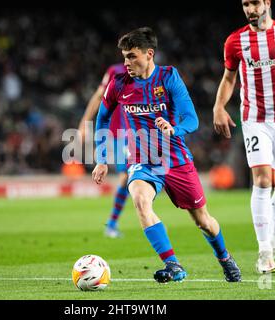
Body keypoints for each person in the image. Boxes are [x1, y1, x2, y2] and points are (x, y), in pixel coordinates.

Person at [92, 27, 241, 283]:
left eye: (132, 56)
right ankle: (173, 265)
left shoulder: (169, 77)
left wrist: (175, 129)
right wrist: (102, 158)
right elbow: (102, 118)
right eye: (125, 57)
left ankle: (225, 257)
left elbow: (191, 119)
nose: (126, 62)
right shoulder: (118, 84)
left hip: (176, 160)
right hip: (143, 160)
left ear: (149, 54)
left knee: (203, 221)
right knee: (140, 199)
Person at [213, 0, 275, 274]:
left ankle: (274, 241)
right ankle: (264, 251)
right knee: (261, 179)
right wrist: (219, 106)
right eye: (246, 4)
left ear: (267, 3)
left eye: (255, 3)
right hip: (255, 119)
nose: (250, 9)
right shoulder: (235, 41)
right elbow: (229, 78)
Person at [78, 63, 128, 238]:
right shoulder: (116, 71)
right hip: (120, 132)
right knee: (126, 177)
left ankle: (150, 220)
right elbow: (99, 96)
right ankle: (112, 224)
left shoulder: (152, 74)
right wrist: (84, 123)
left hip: (142, 133)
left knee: (143, 176)